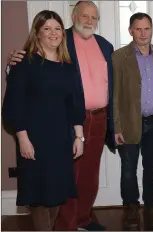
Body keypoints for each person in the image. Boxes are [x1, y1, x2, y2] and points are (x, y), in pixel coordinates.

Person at [6, 1, 115, 230]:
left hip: (94, 120)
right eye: (84, 16)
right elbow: (17, 95)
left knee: (87, 176)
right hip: (54, 127)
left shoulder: (105, 46)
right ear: (73, 16)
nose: (89, 21)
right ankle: (66, 226)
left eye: (93, 17)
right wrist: (11, 64)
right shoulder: (60, 40)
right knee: (54, 183)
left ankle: (83, 220)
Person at [2, 10, 85, 231]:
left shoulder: (67, 66)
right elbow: (13, 104)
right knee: (39, 198)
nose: (53, 33)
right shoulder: (24, 63)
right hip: (34, 140)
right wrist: (22, 138)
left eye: (57, 28)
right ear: (37, 33)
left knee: (56, 195)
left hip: (60, 141)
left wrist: (79, 136)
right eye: (46, 28)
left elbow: (75, 103)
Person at [112, 12, 153, 230]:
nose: (143, 33)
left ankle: (152, 208)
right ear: (130, 31)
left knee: (152, 169)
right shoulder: (119, 57)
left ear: (152, 30)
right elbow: (114, 96)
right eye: (138, 29)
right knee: (128, 171)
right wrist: (116, 126)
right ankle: (131, 210)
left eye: (147, 28)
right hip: (128, 124)